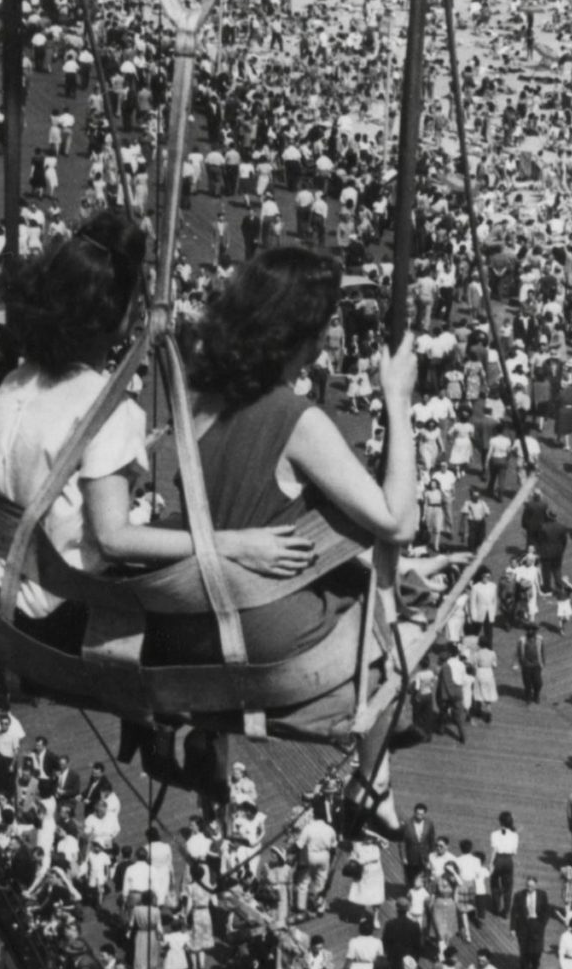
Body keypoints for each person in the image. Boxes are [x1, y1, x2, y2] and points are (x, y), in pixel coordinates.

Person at [0, 211, 313, 651]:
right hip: (58, 615)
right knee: (231, 616)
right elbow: (113, 538)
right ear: (119, 311)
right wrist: (236, 544)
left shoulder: (15, 382)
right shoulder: (106, 408)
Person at [147, 244, 420, 679]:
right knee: (404, 632)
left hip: (190, 611)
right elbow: (399, 522)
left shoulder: (203, 400)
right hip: (260, 620)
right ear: (302, 334)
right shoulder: (296, 419)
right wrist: (398, 401)